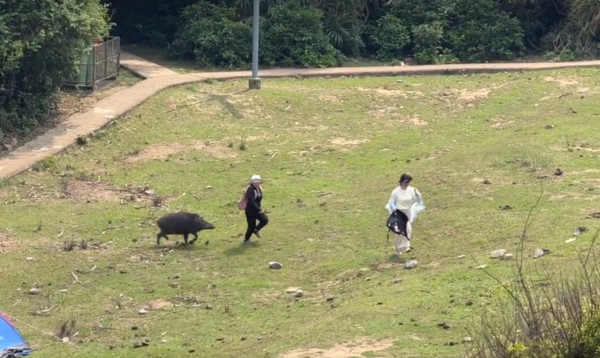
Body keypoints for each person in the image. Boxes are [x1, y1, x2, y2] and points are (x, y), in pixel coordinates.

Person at [385, 173, 425, 254]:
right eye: (406, 182)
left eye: (408, 182)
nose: (407, 184)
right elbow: (391, 202)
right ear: (401, 181)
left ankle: (399, 247)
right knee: (406, 229)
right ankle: (406, 246)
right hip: (399, 212)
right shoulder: (396, 192)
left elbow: (417, 200)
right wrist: (394, 210)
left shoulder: (412, 190)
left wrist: (418, 196)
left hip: (408, 212)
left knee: (404, 230)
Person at [243, 174, 269, 244]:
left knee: (265, 220)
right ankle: (246, 240)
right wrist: (259, 209)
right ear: (252, 182)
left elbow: (258, 200)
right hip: (250, 211)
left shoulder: (259, 188)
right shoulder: (250, 189)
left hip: (256, 209)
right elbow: (252, 201)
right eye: (255, 182)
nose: (257, 183)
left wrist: (259, 207)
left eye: (258, 182)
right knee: (251, 226)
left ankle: (256, 230)